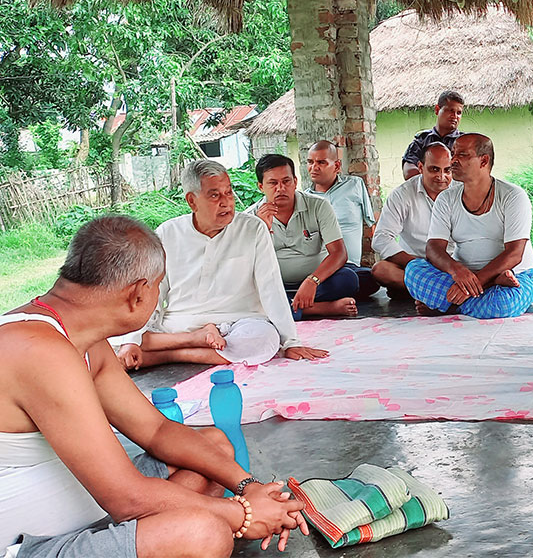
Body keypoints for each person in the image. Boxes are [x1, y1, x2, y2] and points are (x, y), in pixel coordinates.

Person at [0, 215, 308, 558]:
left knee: (215, 448)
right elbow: (125, 497)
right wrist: (245, 514)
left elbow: (158, 430)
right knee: (203, 535)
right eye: (159, 284)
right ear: (138, 293)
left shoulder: (79, 337)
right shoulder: (39, 350)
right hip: (27, 540)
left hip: (87, 505)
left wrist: (250, 488)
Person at [116, 160, 328, 370]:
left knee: (265, 341)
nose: (227, 202)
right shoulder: (167, 233)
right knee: (115, 338)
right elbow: (153, 292)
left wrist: (290, 342)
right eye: (215, 195)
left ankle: (168, 355)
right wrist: (133, 339)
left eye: (228, 192)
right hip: (179, 325)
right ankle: (195, 340)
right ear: (192, 201)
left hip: (238, 324)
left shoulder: (252, 229)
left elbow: (271, 287)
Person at [404, 133, 533, 318]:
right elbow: (434, 248)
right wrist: (457, 271)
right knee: (413, 272)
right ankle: (486, 290)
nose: (453, 161)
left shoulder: (513, 196)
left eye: (462, 155)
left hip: (516, 274)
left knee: (502, 304)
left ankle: (449, 306)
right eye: (454, 154)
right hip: (462, 276)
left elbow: (515, 254)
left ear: (484, 161)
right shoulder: (446, 198)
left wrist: (477, 283)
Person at [249, 153, 359, 320]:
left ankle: (286, 308)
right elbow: (246, 266)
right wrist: (262, 228)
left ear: (295, 182)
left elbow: (339, 253)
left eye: (286, 181)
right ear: (260, 187)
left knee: (349, 279)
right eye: (272, 183)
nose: (280, 188)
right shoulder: (250, 218)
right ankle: (318, 308)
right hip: (275, 286)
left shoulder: (318, 206)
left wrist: (312, 281)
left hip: (318, 282)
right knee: (247, 293)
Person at [372, 142, 455, 298]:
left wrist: (451, 266)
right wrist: (418, 265)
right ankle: (447, 294)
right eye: (434, 169)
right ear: (420, 167)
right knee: (381, 270)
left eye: (447, 170)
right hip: (415, 265)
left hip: (453, 266)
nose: (442, 177)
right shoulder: (402, 194)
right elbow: (381, 239)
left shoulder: (461, 191)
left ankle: (421, 292)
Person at [305, 141, 380, 298]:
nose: (314, 167)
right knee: (348, 282)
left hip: (349, 267)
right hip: (320, 269)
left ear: (337, 166)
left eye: (321, 162)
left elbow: (371, 225)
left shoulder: (355, 185)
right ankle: (318, 297)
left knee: (371, 279)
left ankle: (311, 297)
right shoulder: (305, 199)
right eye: (310, 162)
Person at [401, 90, 464, 180]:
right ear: (437, 110)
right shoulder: (421, 140)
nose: (455, 116)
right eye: (450, 111)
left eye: (459, 113)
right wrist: (433, 182)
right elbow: (409, 171)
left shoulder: (464, 143)